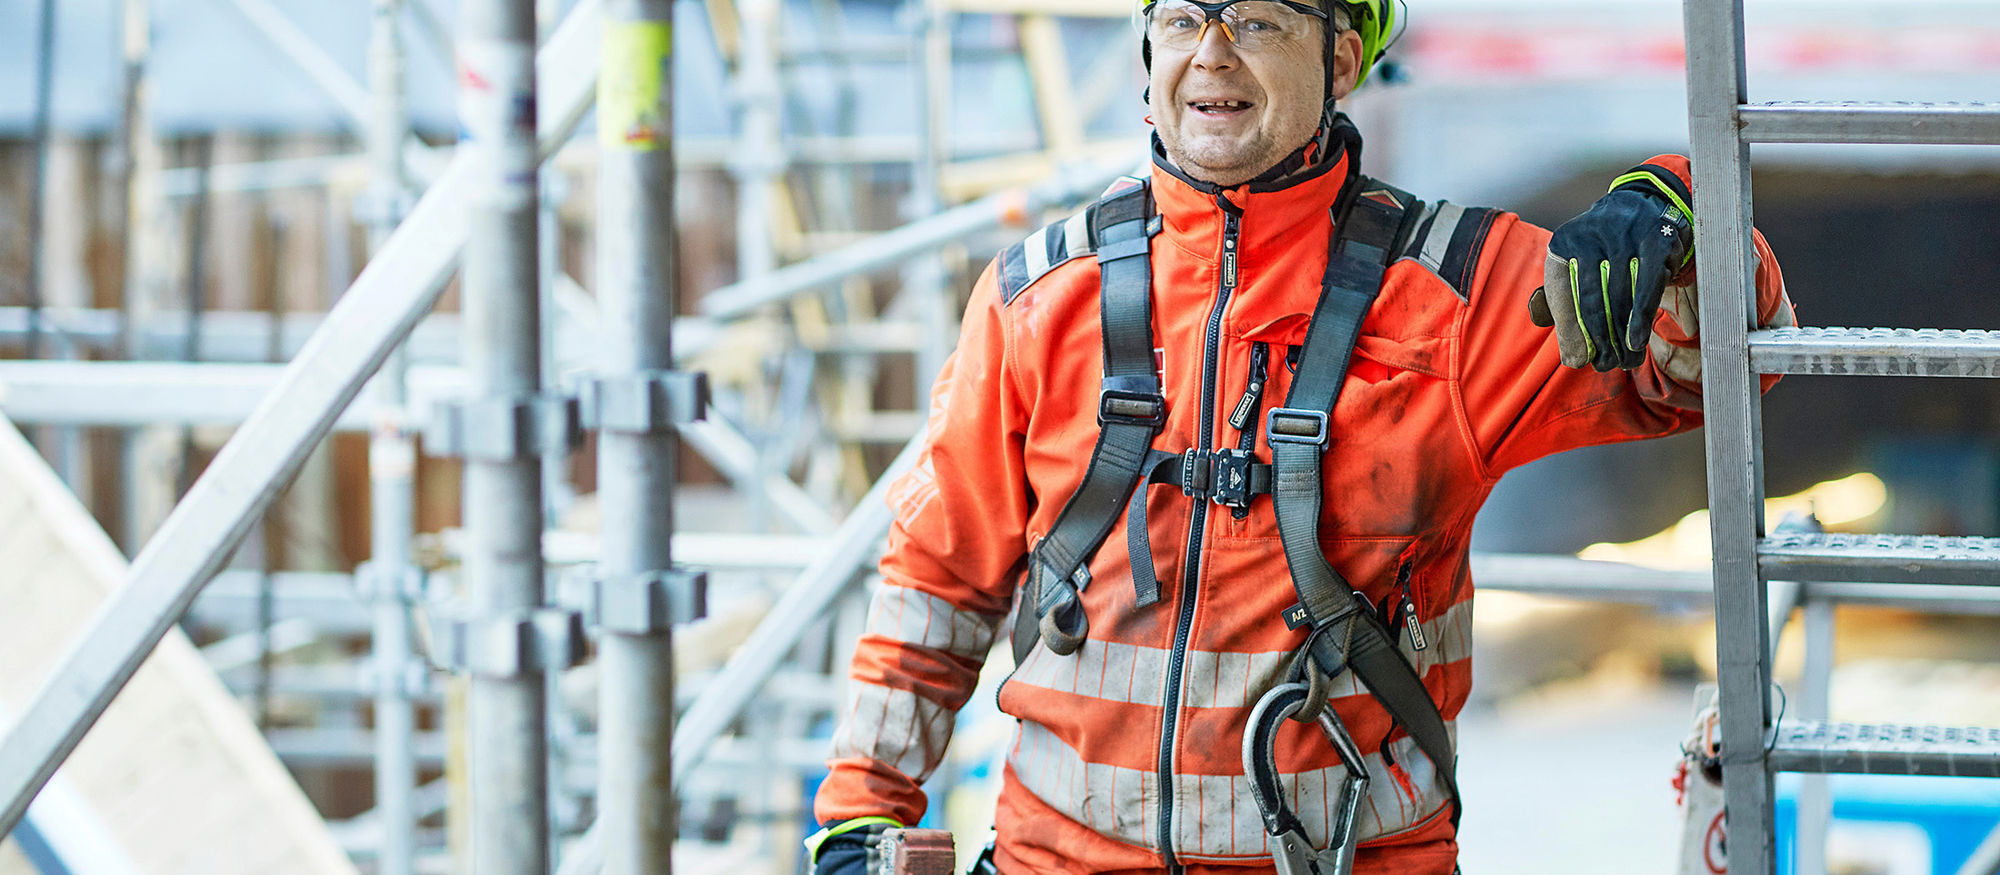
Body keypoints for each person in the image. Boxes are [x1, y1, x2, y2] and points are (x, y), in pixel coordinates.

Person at [806, 1, 1795, 873]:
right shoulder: (1039, 294)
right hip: (1054, 855)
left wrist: (1677, 217)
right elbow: (936, 581)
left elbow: (1718, 365)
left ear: (1339, 62)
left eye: (1258, 19)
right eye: (1183, 19)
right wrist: (860, 807)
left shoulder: (1452, 292)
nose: (1212, 52)